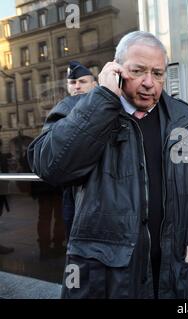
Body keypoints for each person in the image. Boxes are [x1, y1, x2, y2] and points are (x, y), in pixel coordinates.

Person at [28, 31, 188, 299]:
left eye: (157, 73)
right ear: (116, 69)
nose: (149, 82)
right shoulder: (80, 108)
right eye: (138, 71)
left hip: (175, 271)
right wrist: (102, 101)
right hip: (109, 278)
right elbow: (50, 165)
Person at [63, 62, 98, 241]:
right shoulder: (61, 113)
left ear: (95, 85)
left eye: (82, 81)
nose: (77, 86)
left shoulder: (106, 109)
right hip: (72, 190)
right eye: (72, 82)